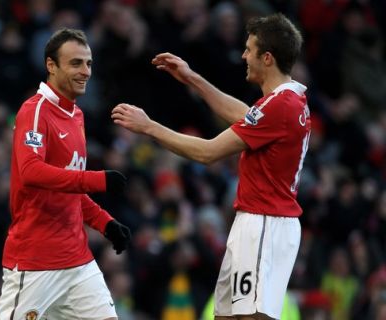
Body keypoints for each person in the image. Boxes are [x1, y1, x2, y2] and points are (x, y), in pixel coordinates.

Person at [112, 13, 310, 320]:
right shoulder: (287, 101)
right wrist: (191, 77)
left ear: (267, 58)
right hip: (255, 222)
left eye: (249, 49)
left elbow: (207, 152)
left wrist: (149, 127)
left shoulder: (279, 106)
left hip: (265, 224)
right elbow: (242, 114)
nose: (243, 55)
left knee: (252, 317)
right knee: (225, 316)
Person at [0, 28, 131, 320]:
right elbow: (31, 172)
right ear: (51, 65)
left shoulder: (76, 115)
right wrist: (98, 179)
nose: (85, 71)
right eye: (76, 63)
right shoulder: (35, 112)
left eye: (89, 63)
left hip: (78, 260)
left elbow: (66, 186)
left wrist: (104, 222)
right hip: (35, 261)